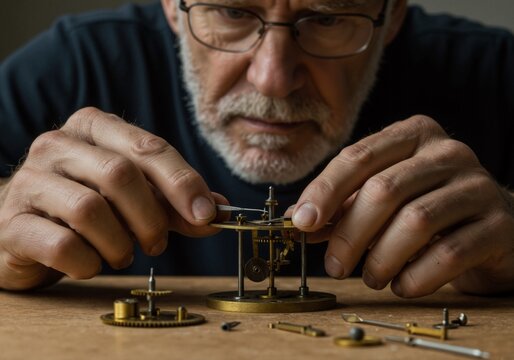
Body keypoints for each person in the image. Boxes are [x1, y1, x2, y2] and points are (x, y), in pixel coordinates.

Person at [0, 0, 513, 296]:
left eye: (327, 18)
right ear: (173, 8)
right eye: (231, 10)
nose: (272, 79)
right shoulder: (71, 65)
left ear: (392, 14)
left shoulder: (497, 74)